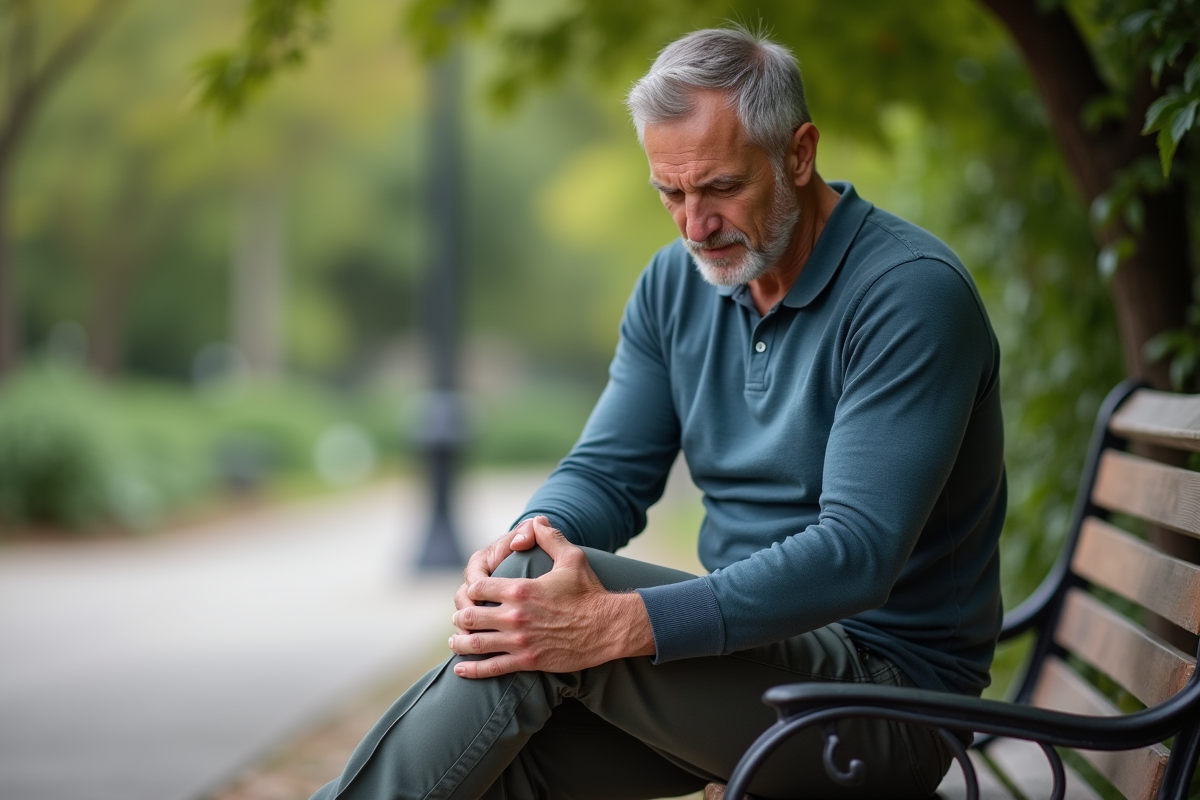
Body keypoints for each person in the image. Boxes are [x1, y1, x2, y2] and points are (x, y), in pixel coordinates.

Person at [312, 24, 1005, 800]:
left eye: (720, 188)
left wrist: (620, 622)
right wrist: (526, 545)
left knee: (536, 610)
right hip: (744, 669)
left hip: (884, 700)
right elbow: (608, 472)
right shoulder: (675, 286)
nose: (694, 226)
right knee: (500, 756)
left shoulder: (909, 295)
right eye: (670, 193)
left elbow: (856, 551)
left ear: (800, 153)